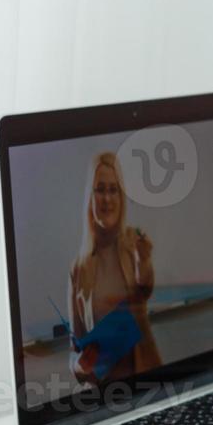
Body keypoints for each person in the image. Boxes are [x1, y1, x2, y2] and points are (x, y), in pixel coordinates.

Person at [68, 152, 163, 383]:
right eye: (100, 189)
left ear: (121, 198)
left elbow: (145, 290)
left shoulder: (133, 243)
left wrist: (144, 260)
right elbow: (73, 351)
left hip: (149, 386)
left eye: (113, 190)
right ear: (90, 198)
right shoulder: (78, 268)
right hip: (105, 398)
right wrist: (79, 365)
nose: (107, 199)